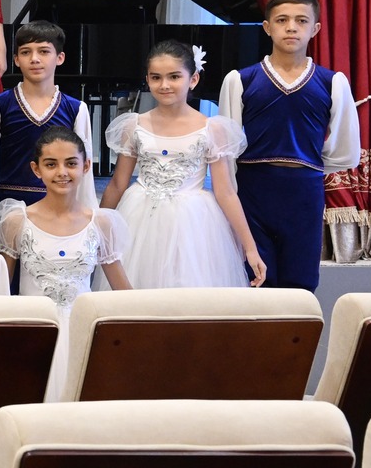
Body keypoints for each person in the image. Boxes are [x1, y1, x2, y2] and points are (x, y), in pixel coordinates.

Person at [220, 0, 363, 291]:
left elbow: (346, 150)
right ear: (267, 27)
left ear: (315, 29)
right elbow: (226, 149)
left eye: (301, 20)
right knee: (255, 278)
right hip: (253, 190)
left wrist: (309, 164)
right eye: (282, 20)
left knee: (301, 280)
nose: (291, 27)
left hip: (304, 193)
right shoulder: (241, 80)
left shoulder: (332, 82)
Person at [102, 41, 266, 289]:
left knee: (186, 288)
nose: (164, 85)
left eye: (174, 76)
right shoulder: (134, 125)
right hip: (139, 218)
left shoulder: (212, 128)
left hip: (192, 223)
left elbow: (225, 192)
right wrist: (97, 227)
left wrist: (250, 247)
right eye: (156, 77)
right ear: (147, 80)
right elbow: (117, 183)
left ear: (193, 79)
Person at [0, 126, 133, 398]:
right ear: (36, 169)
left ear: (86, 166)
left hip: (83, 332)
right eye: (51, 164)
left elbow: (123, 290)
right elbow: (1, 286)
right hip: (34, 330)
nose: (61, 172)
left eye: (70, 163)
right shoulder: (17, 221)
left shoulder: (101, 223)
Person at [0, 22, 92, 208]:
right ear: (16, 59)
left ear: (60, 58)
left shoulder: (76, 108)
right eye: (26, 52)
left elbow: (83, 170)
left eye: (44, 51)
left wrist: (84, 213)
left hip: (58, 205)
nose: (34, 59)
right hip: (6, 206)